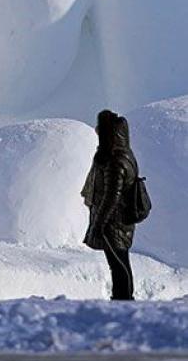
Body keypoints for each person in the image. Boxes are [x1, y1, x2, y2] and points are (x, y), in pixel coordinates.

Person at [81, 109, 138, 300]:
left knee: (118, 264)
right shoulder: (120, 154)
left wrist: (99, 223)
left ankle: (124, 301)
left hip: (114, 222)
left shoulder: (116, 161)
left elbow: (111, 196)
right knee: (119, 263)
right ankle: (123, 299)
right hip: (116, 220)